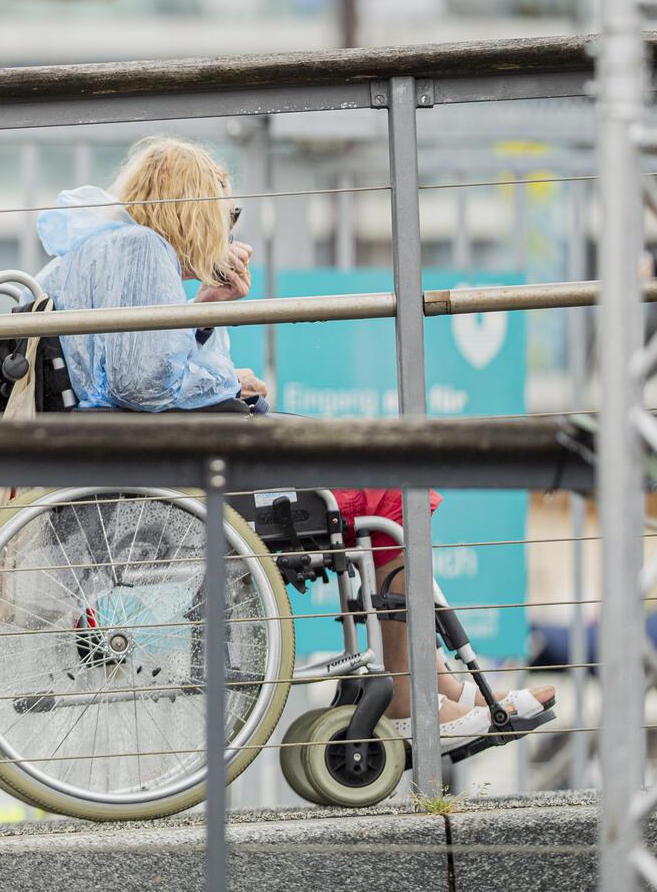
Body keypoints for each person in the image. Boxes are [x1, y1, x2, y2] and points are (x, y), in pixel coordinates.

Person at [33, 135, 552, 749]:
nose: (227, 228)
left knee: (382, 476)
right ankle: (416, 694)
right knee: (396, 484)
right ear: (192, 209)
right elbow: (142, 385)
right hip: (190, 472)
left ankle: (435, 684)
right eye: (227, 213)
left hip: (140, 464)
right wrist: (221, 377)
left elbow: (131, 371)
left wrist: (209, 317)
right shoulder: (143, 249)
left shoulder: (85, 254)